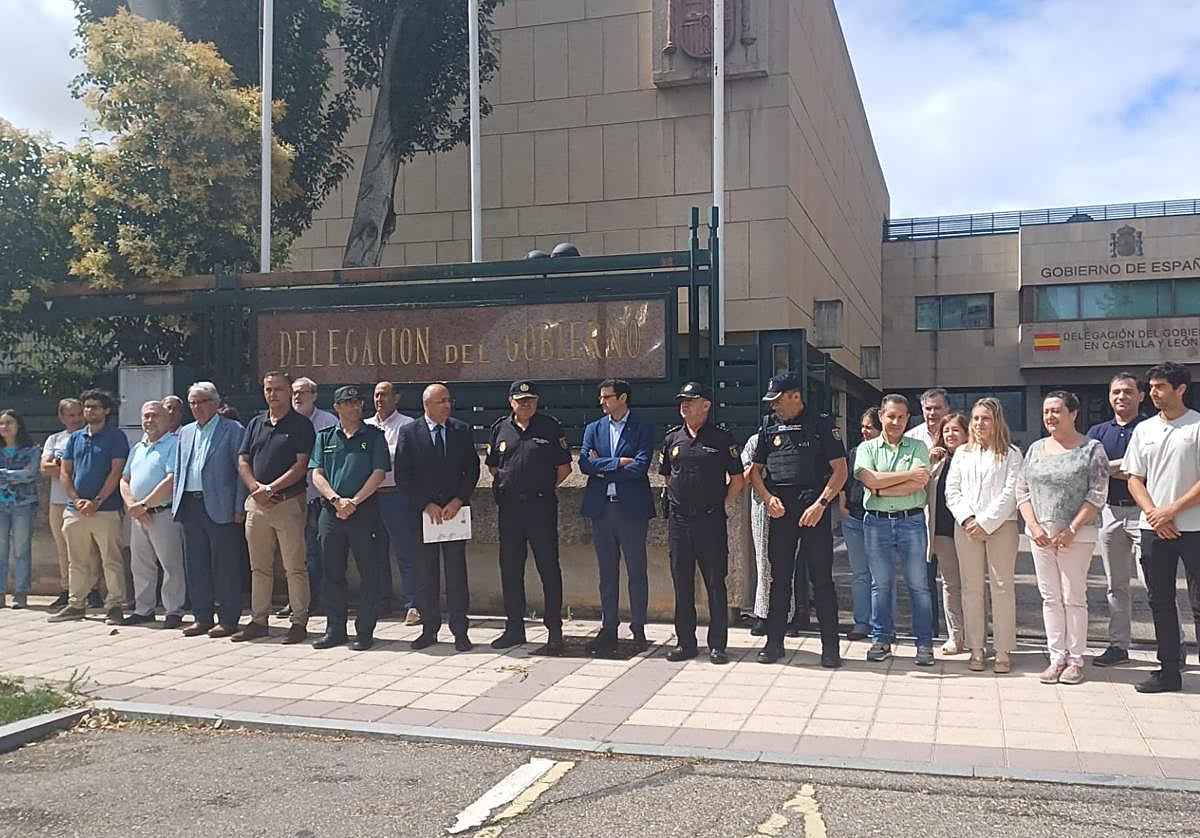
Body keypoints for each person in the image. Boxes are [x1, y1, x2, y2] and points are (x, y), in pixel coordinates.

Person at [749, 372, 847, 667]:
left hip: (813, 508)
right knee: (779, 580)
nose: (774, 406)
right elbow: (755, 470)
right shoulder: (769, 426)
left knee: (822, 581)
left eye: (778, 400)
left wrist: (821, 504)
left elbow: (840, 470)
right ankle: (774, 642)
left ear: (795, 396)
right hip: (781, 511)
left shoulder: (820, 424)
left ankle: (830, 648)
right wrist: (767, 498)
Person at [1018, 391, 1109, 686]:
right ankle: (1056, 656)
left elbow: (1097, 494)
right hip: (1040, 535)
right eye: (1046, 412)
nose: (1050, 417)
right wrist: (1033, 526)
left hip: (1076, 535)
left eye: (1056, 411)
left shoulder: (1091, 449)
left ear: (1074, 413)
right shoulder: (1035, 448)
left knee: (1073, 597)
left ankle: (1076, 659)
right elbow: (1023, 491)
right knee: (1050, 598)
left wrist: (1070, 529)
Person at [1124, 362, 1200, 694]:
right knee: (1160, 601)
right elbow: (1134, 479)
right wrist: (1155, 513)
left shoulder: (1197, 426)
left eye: (1160, 387)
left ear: (1180, 389)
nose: (1153, 392)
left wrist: (1172, 510)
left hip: (1195, 528)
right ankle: (1169, 671)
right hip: (1153, 528)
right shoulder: (1144, 430)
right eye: (1152, 387)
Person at [659, 381, 745, 664]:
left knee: (714, 583)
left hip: (710, 520)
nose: (684, 405)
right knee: (681, 582)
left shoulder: (722, 439)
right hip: (680, 522)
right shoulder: (672, 439)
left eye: (691, 400)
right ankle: (685, 642)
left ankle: (717, 644)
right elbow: (668, 476)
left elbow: (737, 479)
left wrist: (721, 503)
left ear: (706, 405)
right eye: (682, 400)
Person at [486, 380, 572, 652]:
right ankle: (514, 628)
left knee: (548, 568)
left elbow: (564, 468)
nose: (526, 405)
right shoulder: (500, 429)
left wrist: (539, 488)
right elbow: (493, 468)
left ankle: (554, 631)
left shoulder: (550, 427)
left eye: (531, 400)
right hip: (510, 509)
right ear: (511, 401)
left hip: (540, 507)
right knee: (510, 570)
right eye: (521, 400)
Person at [396, 383, 480, 652]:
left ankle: (460, 630)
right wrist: (425, 504)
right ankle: (429, 629)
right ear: (427, 405)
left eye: (448, 400)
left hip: (454, 513)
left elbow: (472, 470)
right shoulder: (410, 432)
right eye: (441, 401)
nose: (447, 405)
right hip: (424, 516)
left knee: (456, 574)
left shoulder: (461, 430)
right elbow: (403, 476)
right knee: (426, 574)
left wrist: (458, 500)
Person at [944, 397, 1023, 674]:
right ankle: (976, 647)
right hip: (966, 527)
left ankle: (1003, 649)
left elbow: (1011, 493)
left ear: (997, 421)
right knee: (971, 588)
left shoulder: (1012, 454)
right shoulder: (963, 454)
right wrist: (968, 518)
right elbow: (951, 491)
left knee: (1002, 588)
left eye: (985, 418)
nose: (979, 424)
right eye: (976, 418)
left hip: (1001, 527)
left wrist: (986, 522)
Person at [235, 371, 315, 644]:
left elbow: (301, 465)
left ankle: (298, 621)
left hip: (288, 503)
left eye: (278, 389)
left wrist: (271, 489)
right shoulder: (256, 423)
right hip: (256, 506)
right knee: (259, 567)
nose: (273, 394)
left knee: (294, 567)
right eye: (268, 389)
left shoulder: (301, 425)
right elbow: (243, 460)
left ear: (290, 392)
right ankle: (259, 620)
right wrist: (255, 489)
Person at [855, 394, 934, 665]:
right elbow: (868, 479)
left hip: (910, 521)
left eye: (901, 417)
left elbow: (919, 484)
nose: (896, 421)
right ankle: (881, 640)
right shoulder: (867, 448)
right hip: (876, 523)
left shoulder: (918, 446)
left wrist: (880, 486)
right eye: (891, 416)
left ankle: (924, 644)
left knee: (919, 586)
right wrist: (904, 476)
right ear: (881, 416)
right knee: (881, 585)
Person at [309, 385, 390, 651]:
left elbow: (379, 472)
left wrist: (354, 501)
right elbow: (317, 473)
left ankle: (365, 631)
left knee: (369, 571)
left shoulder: (373, 436)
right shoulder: (325, 437)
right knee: (331, 571)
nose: (355, 407)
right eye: (348, 403)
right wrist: (335, 500)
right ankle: (335, 629)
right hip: (331, 512)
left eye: (358, 403)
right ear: (337, 407)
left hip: (363, 511)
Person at [578, 378, 655, 657]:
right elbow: (585, 464)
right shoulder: (594, 428)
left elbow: (640, 467)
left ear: (623, 398)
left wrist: (603, 467)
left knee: (636, 572)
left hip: (630, 509)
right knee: (607, 573)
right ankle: (608, 627)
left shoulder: (642, 427)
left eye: (607, 397)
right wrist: (619, 462)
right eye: (601, 397)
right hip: (602, 509)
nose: (602, 402)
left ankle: (638, 628)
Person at [171, 382, 247, 637]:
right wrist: (177, 506)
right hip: (191, 504)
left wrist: (239, 507)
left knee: (225, 565)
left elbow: (240, 472)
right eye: (192, 403)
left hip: (221, 506)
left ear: (215, 403)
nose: (197, 407)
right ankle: (202, 617)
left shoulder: (233, 429)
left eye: (202, 402)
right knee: (196, 564)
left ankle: (228, 619)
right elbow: (180, 470)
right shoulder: (185, 432)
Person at [48, 389, 130, 625]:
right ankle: (76, 604)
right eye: (86, 406)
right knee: (77, 560)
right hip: (75, 510)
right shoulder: (75, 437)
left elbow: (116, 472)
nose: (89, 410)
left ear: (106, 410)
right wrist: (75, 500)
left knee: (111, 560)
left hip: (106, 509)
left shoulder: (116, 437)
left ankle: (114, 606)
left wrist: (96, 501)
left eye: (94, 406)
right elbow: (65, 471)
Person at [1086, 373, 1147, 668]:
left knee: (1155, 585)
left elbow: (1148, 469)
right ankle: (1118, 645)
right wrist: (1128, 467)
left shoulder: (1150, 429)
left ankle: (1171, 649)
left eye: (1128, 391)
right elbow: (1090, 470)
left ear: (1140, 396)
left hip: (1145, 513)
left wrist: (1110, 468)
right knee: (1115, 585)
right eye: (1116, 392)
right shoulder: (1097, 431)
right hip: (1109, 513)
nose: (1121, 397)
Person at [118, 401, 185, 628]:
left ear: (167, 419)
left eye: (155, 416)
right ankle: (143, 609)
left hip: (163, 513)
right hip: (138, 516)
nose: (149, 420)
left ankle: (173, 610)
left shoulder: (174, 445)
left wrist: (144, 505)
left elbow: (171, 480)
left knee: (171, 564)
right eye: (146, 416)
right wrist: (132, 505)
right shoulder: (138, 448)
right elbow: (124, 479)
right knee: (140, 564)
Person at [365, 380, 419, 625]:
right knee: (375, 554)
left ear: (396, 398)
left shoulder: (407, 426)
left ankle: (414, 604)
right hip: (369, 498)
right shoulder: (365, 426)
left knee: (406, 552)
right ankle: (380, 601)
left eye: (385, 395)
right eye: (376, 395)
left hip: (398, 497)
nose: (379, 399)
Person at [40, 398, 102, 610]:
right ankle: (67, 589)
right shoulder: (55, 439)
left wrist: (64, 469)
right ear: (62, 417)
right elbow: (45, 468)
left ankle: (92, 590)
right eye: (70, 415)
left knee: (90, 549)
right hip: (59, 501)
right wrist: (68, 471)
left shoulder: (90, 436)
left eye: (78, 414)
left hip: (85, 500)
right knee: (62, 547)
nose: (75, 419)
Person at [287, 376, 337, 619]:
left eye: (303, 392)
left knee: (320, 553)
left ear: (314, 396)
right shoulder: (286, 421)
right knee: (295, 554)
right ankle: (298, 600)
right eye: (295, 392)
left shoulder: (328, 422)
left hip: (319, 498)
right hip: (291, 499)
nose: (298, 397)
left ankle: (320, 600)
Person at [927, 412, 969, 656]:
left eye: (956, 430)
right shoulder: (937, 460)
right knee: (951, 585)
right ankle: (956, 636)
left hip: (970, 530)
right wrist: (930, 463)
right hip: (943, 531)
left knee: (973, 586)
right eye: (946, 431)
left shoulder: (975, 458)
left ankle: (977, 638)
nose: (950, 435)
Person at [840, 408, 882, 641]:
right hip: (854, 519)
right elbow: (844, 481)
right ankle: (861, 623)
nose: (865, 431)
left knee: (881, 576)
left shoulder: (887, 454)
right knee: (860, 575)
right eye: (863, 426)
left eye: (870, 427)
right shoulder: (854, 452)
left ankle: (883, 625)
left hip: (879, 520)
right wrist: (843, 506)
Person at [0, 410, 39, 609]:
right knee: (1, 550)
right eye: (2, 423)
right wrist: (14, 474)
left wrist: (3, 474)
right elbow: (21, 474)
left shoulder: (30, 449)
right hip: (1, 506)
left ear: (18, 425)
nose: (5, 427)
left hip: (23, 505)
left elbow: (30, 474)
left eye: (9, 422)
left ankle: (20, 593)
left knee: (21, 550)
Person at [742, 431, 769, 636]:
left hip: (791, 499)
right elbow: (744, 477)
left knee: (790, 563)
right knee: (763, 561)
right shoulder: (756, 441)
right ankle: (762, 613)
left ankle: (792, 613)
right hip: (762, 504)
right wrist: (756, 464)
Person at [905, 387, 950, 460]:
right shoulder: (910, 438)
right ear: (922, 409)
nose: (932, 413)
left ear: (947, 408)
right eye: (928, 409)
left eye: (937, 408)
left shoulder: (958, 435)